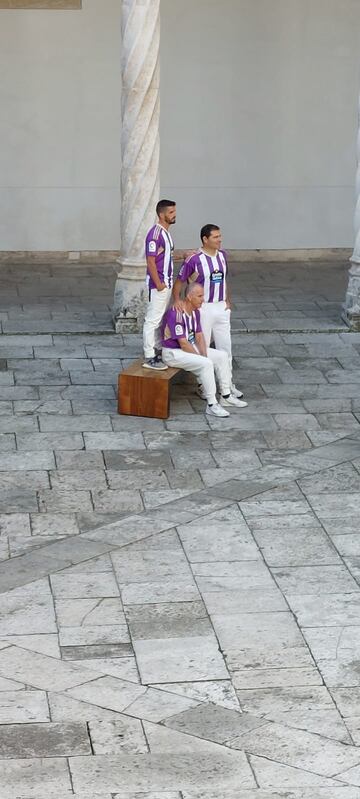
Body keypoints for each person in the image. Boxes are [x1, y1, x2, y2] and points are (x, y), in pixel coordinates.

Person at [172, 224, 243, 399]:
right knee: (202, 347)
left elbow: (224, 280)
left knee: (225, 347)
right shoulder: (194, 259)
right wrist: (178, 300)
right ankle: (204, 384)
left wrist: (227, 300)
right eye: (216, 237)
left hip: (221, 308)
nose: (220, 240)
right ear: (205, 239)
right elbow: (180, 281)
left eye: (220, 236)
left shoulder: (223, 255)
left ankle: (228, 383)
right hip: (203, 309)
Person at [162, 283, 247, 417]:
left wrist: (204, 353)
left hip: (188, 348)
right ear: (189, 297)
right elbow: (183, 343)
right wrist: (202, 358)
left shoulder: (195, 312)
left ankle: (225, 396)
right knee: (206, 364)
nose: (203, 299)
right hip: (173, 352)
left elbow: (199, 336)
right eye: (200, 296)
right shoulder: (176, 313)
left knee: (222, 356)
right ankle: (212, 404)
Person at [142, 199, 177, 370]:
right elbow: (150, 260)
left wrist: (183, 256)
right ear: (161, 214)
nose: (174, 214)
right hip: (159, 286)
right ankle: (149, 356)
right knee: (152, 320)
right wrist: (159, 283)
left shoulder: (166, 233)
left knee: (160, 319)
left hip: (166, 284)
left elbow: (165, 257)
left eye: (174, 211)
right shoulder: (155, 234)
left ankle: (157, 349)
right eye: (171, 212)